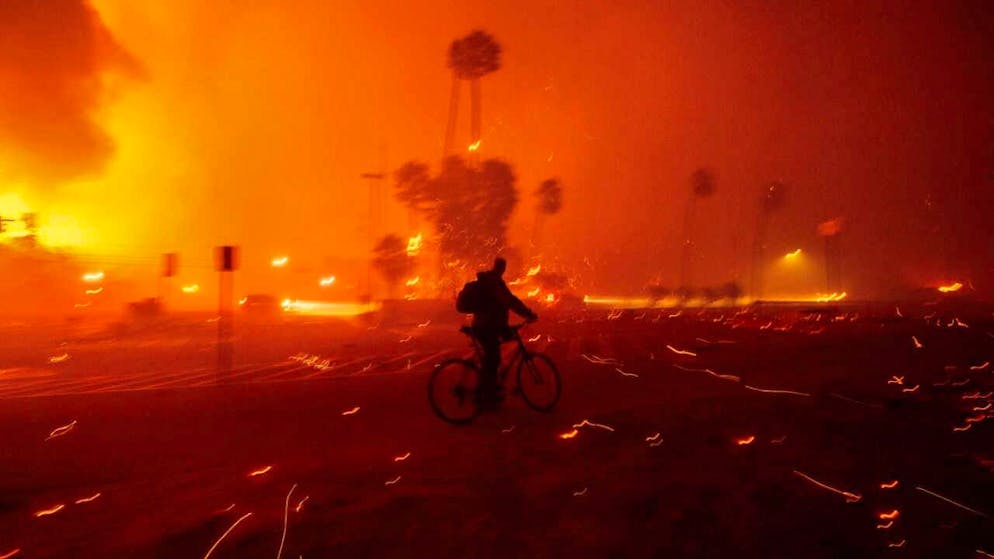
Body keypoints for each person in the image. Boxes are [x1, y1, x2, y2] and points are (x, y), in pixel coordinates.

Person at [471, 257, 537, 405]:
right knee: (493, 358)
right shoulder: (493, 284)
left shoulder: (494, 282)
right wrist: (528, 314)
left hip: (490, 325)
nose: (502, 269)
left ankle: (493, 389)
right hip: (486, 327)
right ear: (498, 267)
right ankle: (486, 396)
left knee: (494, 357)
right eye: (501, 266)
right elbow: (511, 301)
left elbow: (510, 301)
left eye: (503, 266)